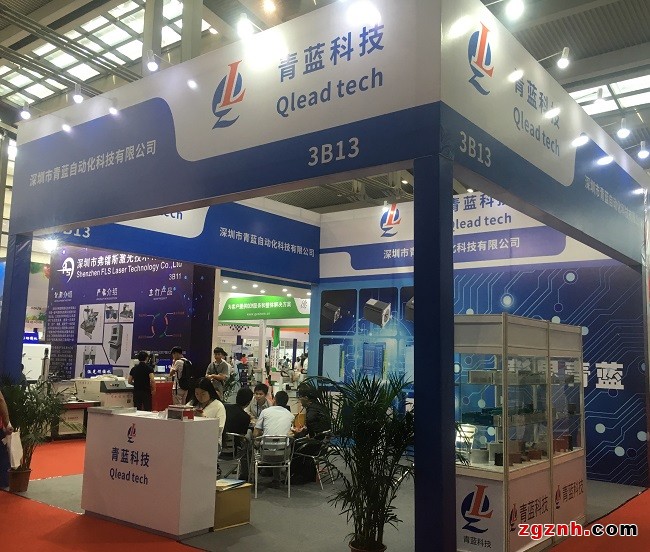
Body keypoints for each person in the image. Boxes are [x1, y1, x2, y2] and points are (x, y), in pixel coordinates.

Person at [253, 391, 295, 488]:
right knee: (281, 444)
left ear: (274, 399)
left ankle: (251, 477)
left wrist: (258, 440)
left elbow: (256, 432)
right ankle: (276, 479)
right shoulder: (290, 415)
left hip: (265, 454)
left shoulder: (265, 412)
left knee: (252, 441)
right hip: (283, 455)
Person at [292, 386, 331, 484]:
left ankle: (297, 476)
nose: (299, 400)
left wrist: (299, 433)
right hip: (323, 445)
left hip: (316, 445)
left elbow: (312, 429)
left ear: (306, 398)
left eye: (300, 397)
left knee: (294, 445)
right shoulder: (320, 407)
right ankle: (308, 474)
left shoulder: (312, 411)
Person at [187, 377, 227, 447]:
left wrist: (203, 418)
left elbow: (219, 430)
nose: (200, 397)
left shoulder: (218, 406)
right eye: (197, 394)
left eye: (203, 394)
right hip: (192, 438)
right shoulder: (192, 403)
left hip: (211, 442)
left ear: (210, 392)